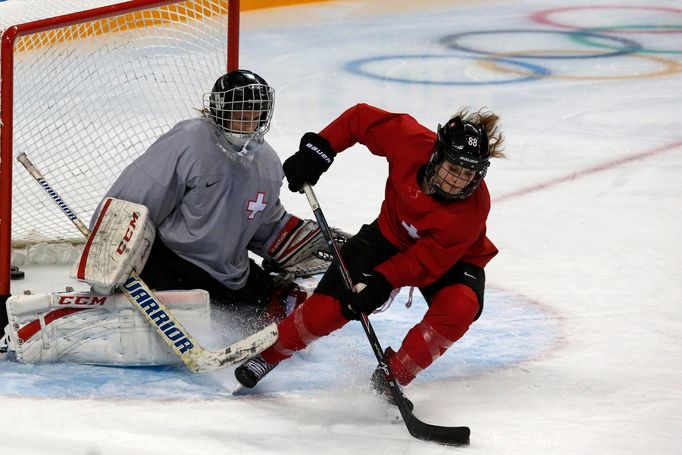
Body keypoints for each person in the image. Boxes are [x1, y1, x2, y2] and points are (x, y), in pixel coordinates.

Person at [234, 103, 505, 404]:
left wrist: (381, 282)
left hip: (454, 260)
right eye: (453, 168)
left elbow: (424, 262)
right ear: (437, 154)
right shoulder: (411, 141)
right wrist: (320, 150)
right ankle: (270, 355)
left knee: (460, 308)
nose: (458, 181)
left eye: (468, 173)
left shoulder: (472, 209)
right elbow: (361, 119)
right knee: (330, 307)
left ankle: (394, 374)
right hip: (388, 236)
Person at [89, 69, 327, 328]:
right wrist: (107, 262)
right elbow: (132, 203)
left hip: (228, 274)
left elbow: (261, 225)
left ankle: (271, 297)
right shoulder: (188, 142)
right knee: (184, 293)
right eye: (240, 118)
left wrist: (297, 239)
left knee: (266, 307)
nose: (249, 127)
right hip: (174, 261)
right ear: (220, 111)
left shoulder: (268, 164)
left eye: (255, 119)